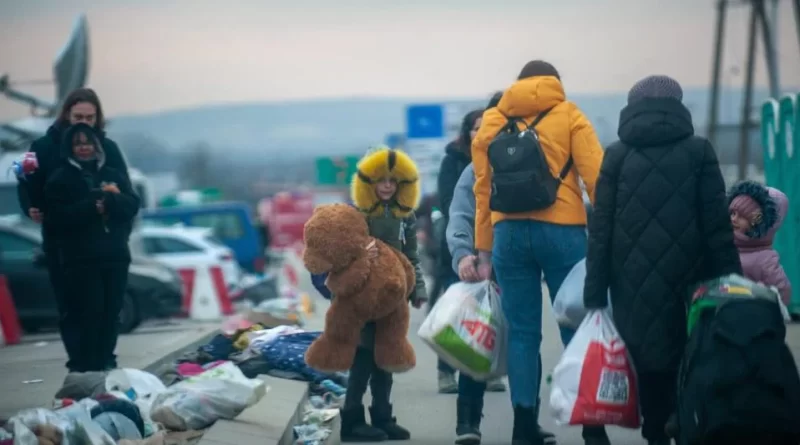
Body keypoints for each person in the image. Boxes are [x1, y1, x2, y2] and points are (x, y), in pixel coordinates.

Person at [583, 75, 742, 445]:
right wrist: (733, 282)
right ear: (678, 106)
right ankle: (680, 421)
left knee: (648, 359)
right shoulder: (699, 151)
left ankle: (655, 430)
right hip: (692, 282)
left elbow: (601, 232)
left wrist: (595, 294)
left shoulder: (616, 156)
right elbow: (717, 225)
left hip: (631, 284)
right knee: (688, 354)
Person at [471, 60, 604, 445]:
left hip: (508, 233)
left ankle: (523, 427)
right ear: (554, 83)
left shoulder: (494, 120)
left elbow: (483, 190)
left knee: (522, 333)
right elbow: (597, 177)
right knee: (575, 327)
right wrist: (612, 233)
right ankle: (592, 429)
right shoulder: (568, 114)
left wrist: (483, 249)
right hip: (562, 232)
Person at [446, 105, 558, 445]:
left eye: (491, 127)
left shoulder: (533, 164)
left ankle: (528, 422)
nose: (485, 133)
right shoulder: (472, 173)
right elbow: (460, 217)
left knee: (526, 343)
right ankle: (468, 422)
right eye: (478, 128)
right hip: (482, 274)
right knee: (474, 345)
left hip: (519, 274)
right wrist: (463, 255)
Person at [311, 145, 427, 442]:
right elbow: (330, 249)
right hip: (358, 299)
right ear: (368, 182)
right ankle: (351, 420)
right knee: (363, 358)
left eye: (393, 180)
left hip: (392, 299)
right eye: (381, 180)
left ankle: (382, 417)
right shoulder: (353, 214)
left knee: (386, 358)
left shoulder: (405, 216)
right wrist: (358, 253)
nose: (387, 186)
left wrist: (418, 290)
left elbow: (412, 256)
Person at [16, 88, 130, 372]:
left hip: (107, 245)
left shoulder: (108, 149)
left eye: (90, 118)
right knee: (73, 309)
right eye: (78, 116)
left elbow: (126, 192)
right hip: (63, 244)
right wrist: (30, 206)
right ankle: (80, 363)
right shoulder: (44, 147)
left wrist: (115, 208)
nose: (84, 123)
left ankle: (105, 359)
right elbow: (24, 179)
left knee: (108, 310)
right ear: (66, 115)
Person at [44, 123, 140, 372]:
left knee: (111, 314)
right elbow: (56, 219)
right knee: (90, 314)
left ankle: (108, 359)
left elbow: (131, 205)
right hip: (82, 260)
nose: (84, 148)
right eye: (78, 144)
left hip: (115, 255)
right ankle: (88, 364)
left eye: (88, 143)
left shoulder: (113, 174)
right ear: (70, 148)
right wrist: (90, 207)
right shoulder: (60, 179)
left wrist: (111, 200)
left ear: (97, 146)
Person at [434, 107, 506, 394]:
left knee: (489, 315)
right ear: (467, 133)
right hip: (460, 245)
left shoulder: (499, 160)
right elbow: (450, 203)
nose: (480, 132)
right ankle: (446, 370)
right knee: (458, 313)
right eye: (475, 127)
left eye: (485, 127)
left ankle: (486, 369)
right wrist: (463, 249)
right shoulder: (455, 162)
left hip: (491, 249)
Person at [728, 180, 792, 304]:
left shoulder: (765, 259)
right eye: (732, 213)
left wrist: (764, 296)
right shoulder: (726, 247)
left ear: (757, 224)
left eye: (742, 217)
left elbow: (782, 290)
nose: (733, 219)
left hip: (753, 316)